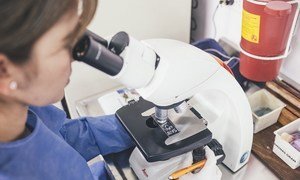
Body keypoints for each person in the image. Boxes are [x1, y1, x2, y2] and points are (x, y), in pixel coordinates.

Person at [0, 0, 221, 179]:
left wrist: (134, 127)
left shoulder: (22, 113)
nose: (75, 58)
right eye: (63, 44)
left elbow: (61, 140)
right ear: (4, 71)